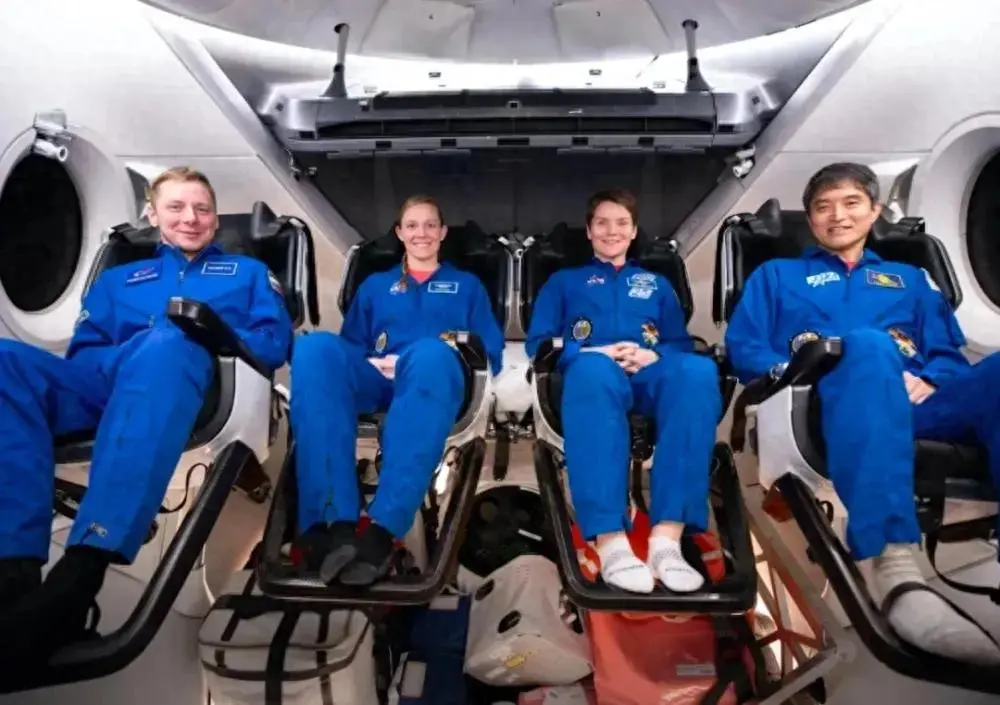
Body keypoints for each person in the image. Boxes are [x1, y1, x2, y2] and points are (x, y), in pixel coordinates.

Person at [0, 166, 293, 669]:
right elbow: (84, 353)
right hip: (108, 378)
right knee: (6, 360)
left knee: (168, 343)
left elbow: (273, 342)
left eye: (202, 209)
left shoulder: (246, 273)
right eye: (176, 207)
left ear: (215, 219)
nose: (190, 218)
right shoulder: (118, 280)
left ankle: (83, 571)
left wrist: (205, 332)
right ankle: (12, 572)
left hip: (199, 376)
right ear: (152, 215)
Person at [725, 162, 1000, 665]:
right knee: (870, 347)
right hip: (821, 406)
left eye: (851, 203)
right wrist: (804, 372)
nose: (838, 216)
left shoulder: (910, 280)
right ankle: (891, 562)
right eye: (823, 207)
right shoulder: (776, 276)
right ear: (810, 219)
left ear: (874, 212)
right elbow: (746, 350)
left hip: (917, 405)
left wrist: (931, 379)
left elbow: (947, 356)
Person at [289, 195, 504, 587]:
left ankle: (381, 532)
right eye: (412, 225)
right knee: (314, 349)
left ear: (442, 233)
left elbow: (490, 351)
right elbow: (349, 348)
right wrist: (375, 363)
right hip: (376, 377)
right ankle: (331, 528)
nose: (421, 233)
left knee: (428, 354)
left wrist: (433, 354)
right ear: (400, 233)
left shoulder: (466, 286)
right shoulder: (375, 286)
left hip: (432, 380)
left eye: (430, 225)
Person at [525, 189, 721, 594]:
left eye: (621, 223)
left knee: (698, 372)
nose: (611, 231)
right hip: (592, 372)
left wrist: (653, 356)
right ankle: (611, 542)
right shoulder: (563, 282)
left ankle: (667, 543)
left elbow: (679, 343)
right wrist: (592, 352)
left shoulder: (658, 285)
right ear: (589, 231)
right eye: (602, 223)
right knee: (592, 371)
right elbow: (539, 343)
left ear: (633, 232)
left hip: (648, 374)